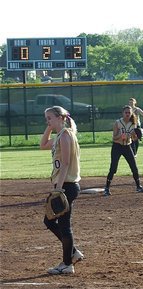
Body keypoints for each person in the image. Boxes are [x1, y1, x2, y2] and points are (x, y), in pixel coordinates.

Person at [40, 106, 84, 275]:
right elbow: (43, 144)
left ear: (60, 118)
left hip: (66, 185)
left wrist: (59, 188)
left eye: (49, 118)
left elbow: (65, 163)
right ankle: (72, 254)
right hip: (64, 185)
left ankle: (67, 263)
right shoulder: (60, 135)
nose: (47, 121)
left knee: (63, 226)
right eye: (46, 119)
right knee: (50, 221)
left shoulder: (66, 135)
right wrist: (49, 128)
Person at [104, 105, 143, 195]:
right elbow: (114, 138)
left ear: (131, 113)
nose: (127, 114)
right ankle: (107, 188)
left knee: (134, 167)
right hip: (117, 147)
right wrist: (121, 136)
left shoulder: (133, 123)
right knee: (113, 168)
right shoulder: (118, 123)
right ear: (123, 113)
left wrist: (136, 135)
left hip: (127, 146)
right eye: (126, 112)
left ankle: (138, 186)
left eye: (129, 113)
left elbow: (134, 139)